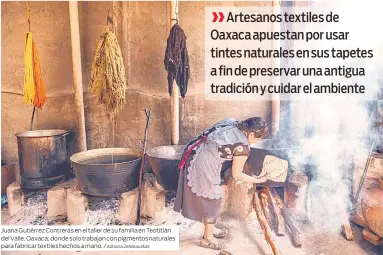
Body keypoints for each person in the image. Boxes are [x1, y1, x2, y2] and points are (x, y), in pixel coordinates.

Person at [174, 117, 271, 250]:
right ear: (251, 134)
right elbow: (237, 174)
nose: (256, 142)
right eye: (258, 139)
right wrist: (259, 180)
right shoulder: (242, 146)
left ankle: (211, 228)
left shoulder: (231, 121)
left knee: (210, 198)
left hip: (194, 149)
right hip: (203, 162)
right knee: (212, 201)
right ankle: (207, 239)